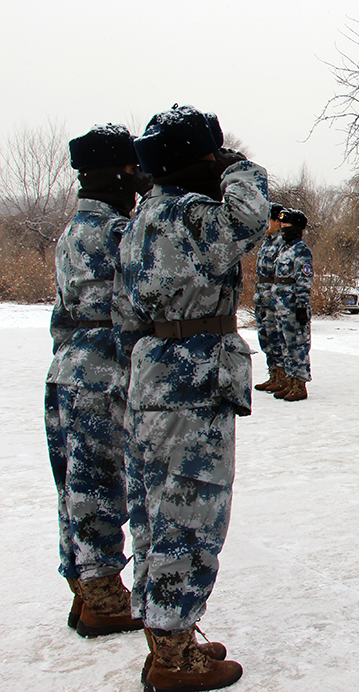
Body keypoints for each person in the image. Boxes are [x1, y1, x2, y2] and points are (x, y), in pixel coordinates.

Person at [116, 104, 267, 689]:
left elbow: (123, 314)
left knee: (154, 508)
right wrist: (240, 168)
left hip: (151, 375)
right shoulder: (197, 216)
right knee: (193, 513)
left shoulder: (139, 220)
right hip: (194, 381)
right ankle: (173, 658)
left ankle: (163, 632)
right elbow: (252, 219)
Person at [45, 124, 146, 638]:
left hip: (67, 368)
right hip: (104, 371)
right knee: (103, 484)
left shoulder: (69, 234)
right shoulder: (116, 233)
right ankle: (105, 595)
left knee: (74, 483)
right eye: (132, 172)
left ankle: (84, 589)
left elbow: (61, 314)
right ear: (117, 174)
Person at [270, 208, 313, 402]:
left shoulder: (301, 250)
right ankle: (290, 380)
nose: (283, 229)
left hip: (294, 305)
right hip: (281, 305)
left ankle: (299, 384)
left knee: (298, 344)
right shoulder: (283, 249)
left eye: (287, 226)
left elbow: (304, 279)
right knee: (285, 345)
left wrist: (302, 304)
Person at [253, 204, 286, 393]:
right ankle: (272, 373)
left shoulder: (282, 243)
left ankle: (282, 376)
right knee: (264, 337)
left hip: (273, 297)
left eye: (268, 219)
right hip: (261, 296)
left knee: (275, 337)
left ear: (277, 221)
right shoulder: (267, 241)